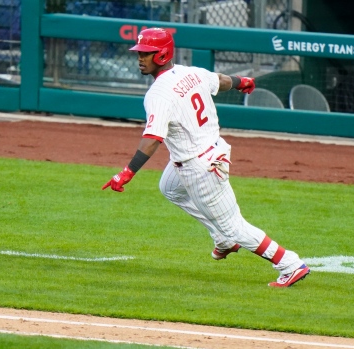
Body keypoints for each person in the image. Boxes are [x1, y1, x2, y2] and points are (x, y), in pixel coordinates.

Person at [102, 28, 310, 288]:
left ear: (162, 54)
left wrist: (128, 171)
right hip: (209, 152)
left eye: (146, 53)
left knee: (235, 226)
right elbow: (220, 80)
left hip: (199, 166)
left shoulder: (158, 94)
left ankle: (289, 263)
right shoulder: (191, 72)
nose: (140, 58)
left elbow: (153, 138)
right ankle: (222, 239)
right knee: (169, 188)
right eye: (140, 53)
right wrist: (241, 81)